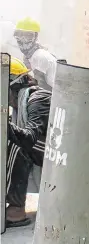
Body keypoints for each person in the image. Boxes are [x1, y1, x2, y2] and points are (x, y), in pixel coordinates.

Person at [6, 57, 51, 227]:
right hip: (45, 148)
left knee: (16, 144)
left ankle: (17, 210)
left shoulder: (37, 98)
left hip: (63, 153)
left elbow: (30, 138)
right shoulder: (21, 103)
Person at [13, 17, 57, 91]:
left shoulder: (39, 56)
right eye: (19, 35)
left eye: (28, 36)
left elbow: (40, 88)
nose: (23, 40)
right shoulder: (29, 56)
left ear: (36, 37)